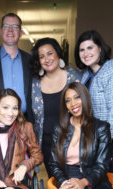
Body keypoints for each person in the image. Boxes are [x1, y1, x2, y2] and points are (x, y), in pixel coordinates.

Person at [75, 30, 113, 178]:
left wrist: (102, 145)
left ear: (100, 48)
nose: (86, 53)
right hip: (99, 138)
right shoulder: (87, 73)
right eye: (82, 49)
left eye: (90, 47)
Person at [31, 37, 82, 178]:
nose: (46, 59)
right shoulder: (35, 83)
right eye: (41, 56)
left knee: (74, 184)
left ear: (57, 53)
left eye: (49, 53)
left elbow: (88, 107)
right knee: (56, 182)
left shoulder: (76, 76)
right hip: (47, 145)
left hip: (74, 142)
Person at [0, 12, 33, 122]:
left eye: (15, 26)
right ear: (1, 31)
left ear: (20, 33)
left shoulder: (30, 60)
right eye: (6, 26)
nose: (10, 30)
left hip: (25, 121)